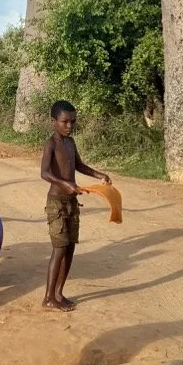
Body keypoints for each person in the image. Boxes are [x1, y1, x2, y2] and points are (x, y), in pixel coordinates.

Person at [41, 101, 111, 311]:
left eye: (73, 121)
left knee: (70, 247)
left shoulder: (70, 143)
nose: (69, 126)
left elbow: (79, 165)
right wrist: (65, 184)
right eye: (64, 122)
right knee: (59, 249)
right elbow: (44, 173)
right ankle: (48, 297)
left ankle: (59, 293)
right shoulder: (51, 144)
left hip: (72, 201)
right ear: (54, 122)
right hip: (57, 203)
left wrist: (100, 175)